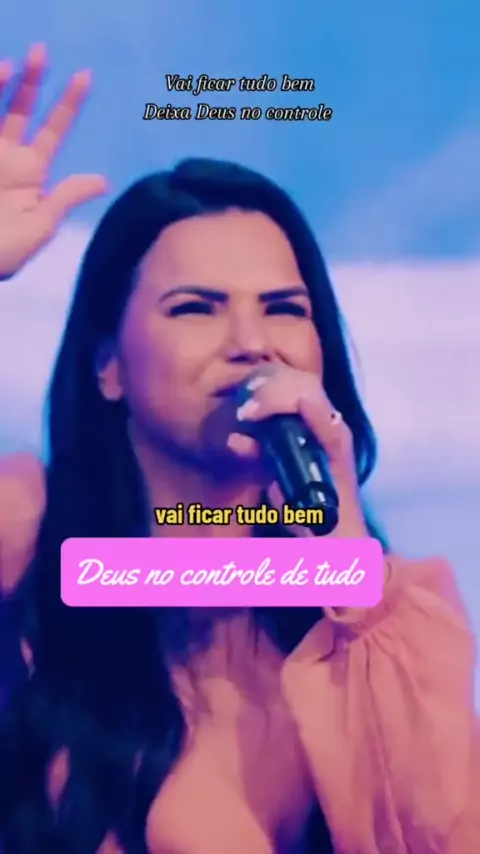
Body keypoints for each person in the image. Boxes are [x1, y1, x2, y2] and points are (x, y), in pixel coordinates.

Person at [0, 44, 478, 854]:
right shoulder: (29, 540)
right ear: (108, 364)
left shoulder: (387, 619)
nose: (253, 342)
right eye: (197, 308)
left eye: (286, 308)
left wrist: (339, 560)